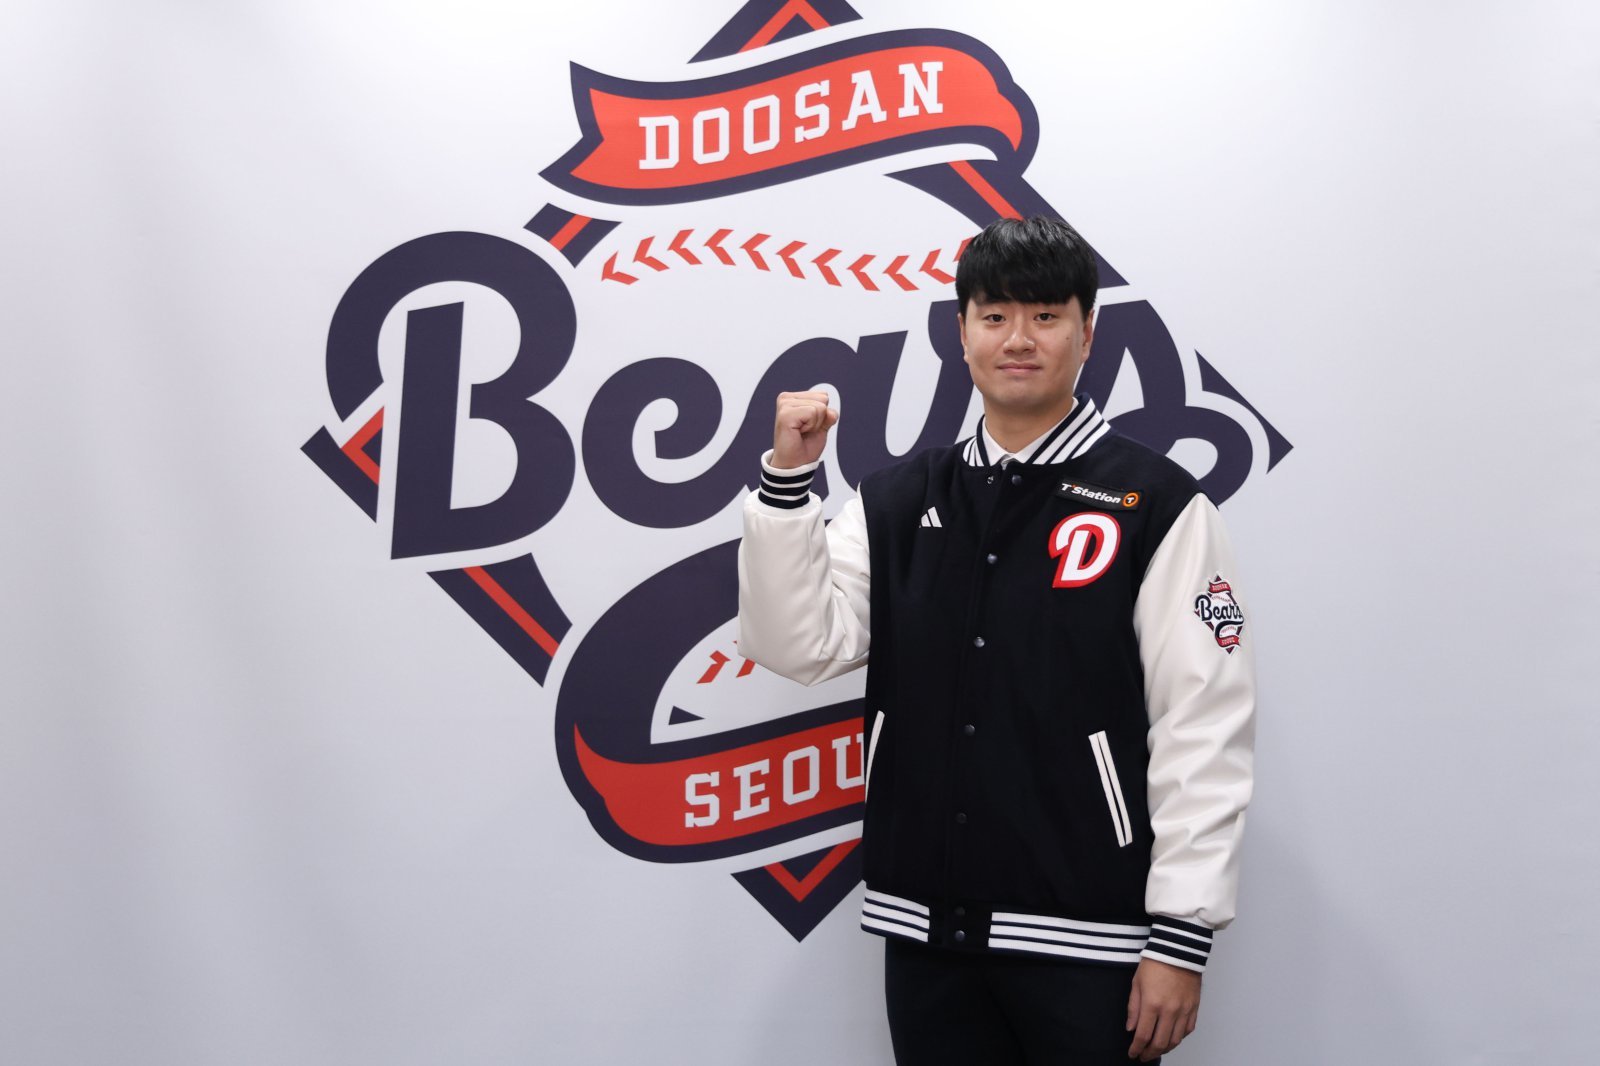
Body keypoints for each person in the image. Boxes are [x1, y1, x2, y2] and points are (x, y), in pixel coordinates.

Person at [738, 215, 1255, 1064]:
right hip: (925, 932)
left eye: (1046, 315)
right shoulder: (898, 498)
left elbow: (1204, 721)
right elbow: (798, 644)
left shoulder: (1156, 503)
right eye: (995, 316)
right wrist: (788, 485)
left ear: (1088, 333)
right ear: (962, 332)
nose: (1019, 339)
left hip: (1092, 938)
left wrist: (1180, 935)